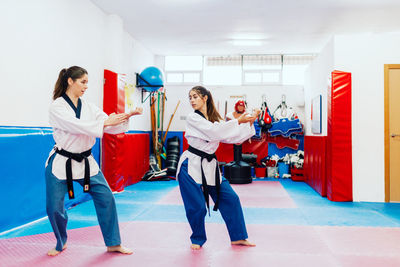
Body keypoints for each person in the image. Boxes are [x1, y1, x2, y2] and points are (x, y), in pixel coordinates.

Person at [45, 66, 142, 256]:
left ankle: (113, 243)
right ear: (70, 81)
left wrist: (125, 117)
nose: (86, 86)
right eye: (83, 82)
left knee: (107, 197)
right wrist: (105, 122)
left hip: (86, 161)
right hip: (61, 162)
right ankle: (61, 240)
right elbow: (75, 125)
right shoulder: (57, 106)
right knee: (54, 207)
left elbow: (109, 127)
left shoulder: (89, 107)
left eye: (87, 82)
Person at [176, 85, 260, 250]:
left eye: (195, 97)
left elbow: (233, 137)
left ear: (205, 98)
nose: (192, 100)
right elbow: (215, 132)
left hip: (209, 166)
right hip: (190, 165)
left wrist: (249, 122)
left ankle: (238, 237)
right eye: (190, 97)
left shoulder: (216, 120)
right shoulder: (193, 118)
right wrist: (239, 120)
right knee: (197, 206)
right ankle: (197, 238)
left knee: (231, 199)